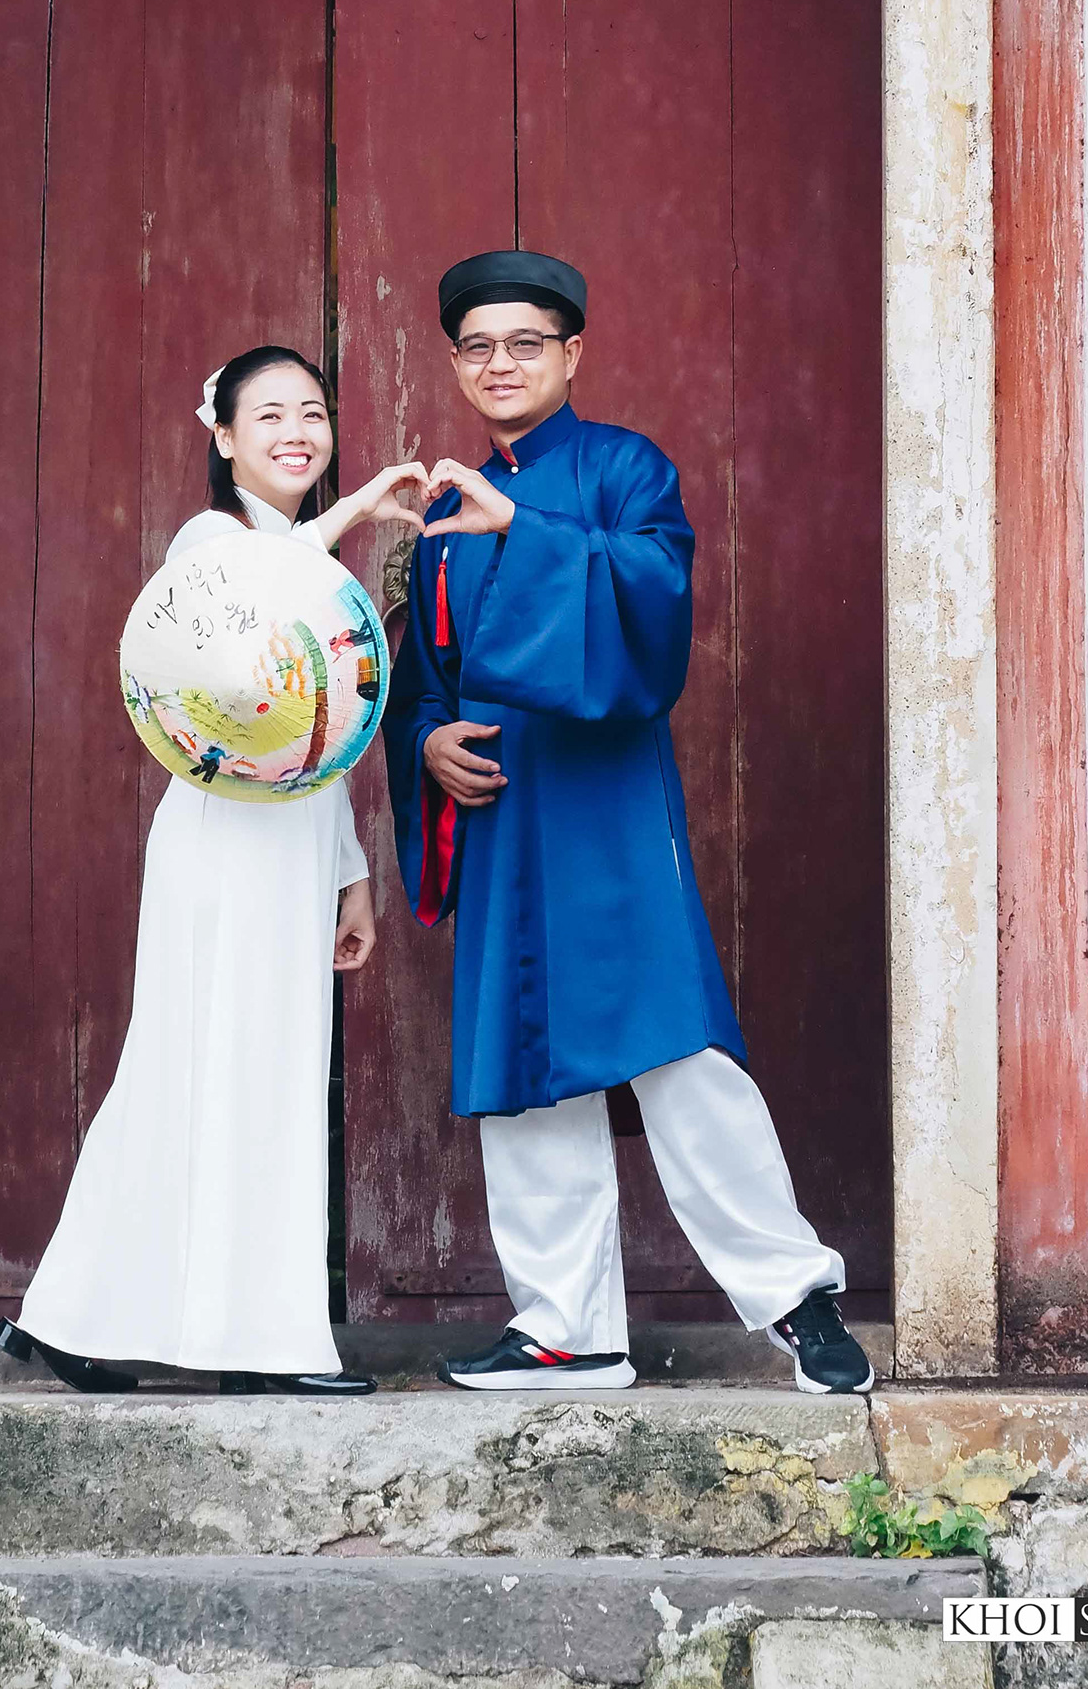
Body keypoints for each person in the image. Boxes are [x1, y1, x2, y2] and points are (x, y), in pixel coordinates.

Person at [381, 251, 874, 1399]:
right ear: (456, 363)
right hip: (503, 813)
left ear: (573, 354)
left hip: (601, 805)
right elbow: (422, 674)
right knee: (522, 1068)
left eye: (525, 344)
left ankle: (798, 1297)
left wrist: (527, 536)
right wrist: (427, 745)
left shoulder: (624, 471)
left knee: (675, 1046)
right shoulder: (439, 502)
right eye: (477, 347)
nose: (500, 364)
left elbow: (653, 615)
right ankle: (567, 1329)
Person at [0, 346, 428, 1397]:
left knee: (262, 1074)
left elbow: (323, 739)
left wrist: (351, 875)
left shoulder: (299, 554)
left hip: (290, 847)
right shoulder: (215, 542)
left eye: (314, 414)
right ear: (223, 437)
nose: (297, 433)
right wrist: (362, 507)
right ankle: (252, 1341)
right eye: (269, 415)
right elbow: (252, 642)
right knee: (202, 1067)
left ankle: (99, 1319)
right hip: (221, 846)